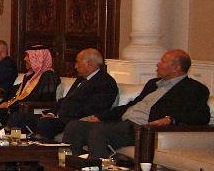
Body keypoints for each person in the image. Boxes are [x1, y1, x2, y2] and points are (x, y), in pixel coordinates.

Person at [63, 49, 210, 161]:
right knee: (75, 126)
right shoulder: (153, 84)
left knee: (100, 131)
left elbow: (202, 116)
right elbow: (132, 105)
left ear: (176, 68)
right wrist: (100, 116)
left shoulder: (194, 89)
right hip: (124, 123)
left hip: (143, 129)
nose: (158, 64)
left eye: (163, 62)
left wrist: (171, 119)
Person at [5, 49, 118, 171]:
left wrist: (61, 115)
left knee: (45, 125)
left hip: (75, 120)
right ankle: (9, 164)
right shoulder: (81, 79)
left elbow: (96, 109)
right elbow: (65, 100)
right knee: (18, 118)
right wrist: (52, 113)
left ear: (89, 63)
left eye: (77, 62)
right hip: (59, 117)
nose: (75, 66)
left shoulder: (105, 82)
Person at [0, 45, 60, 126]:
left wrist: (10, 106)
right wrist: (1, 90)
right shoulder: (30, 75)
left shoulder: (49, 76)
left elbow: (41, 98)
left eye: (28, 56)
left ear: (38, 58)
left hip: (22, 110)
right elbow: (17, 89)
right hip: (13, 106)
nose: (25, 59)